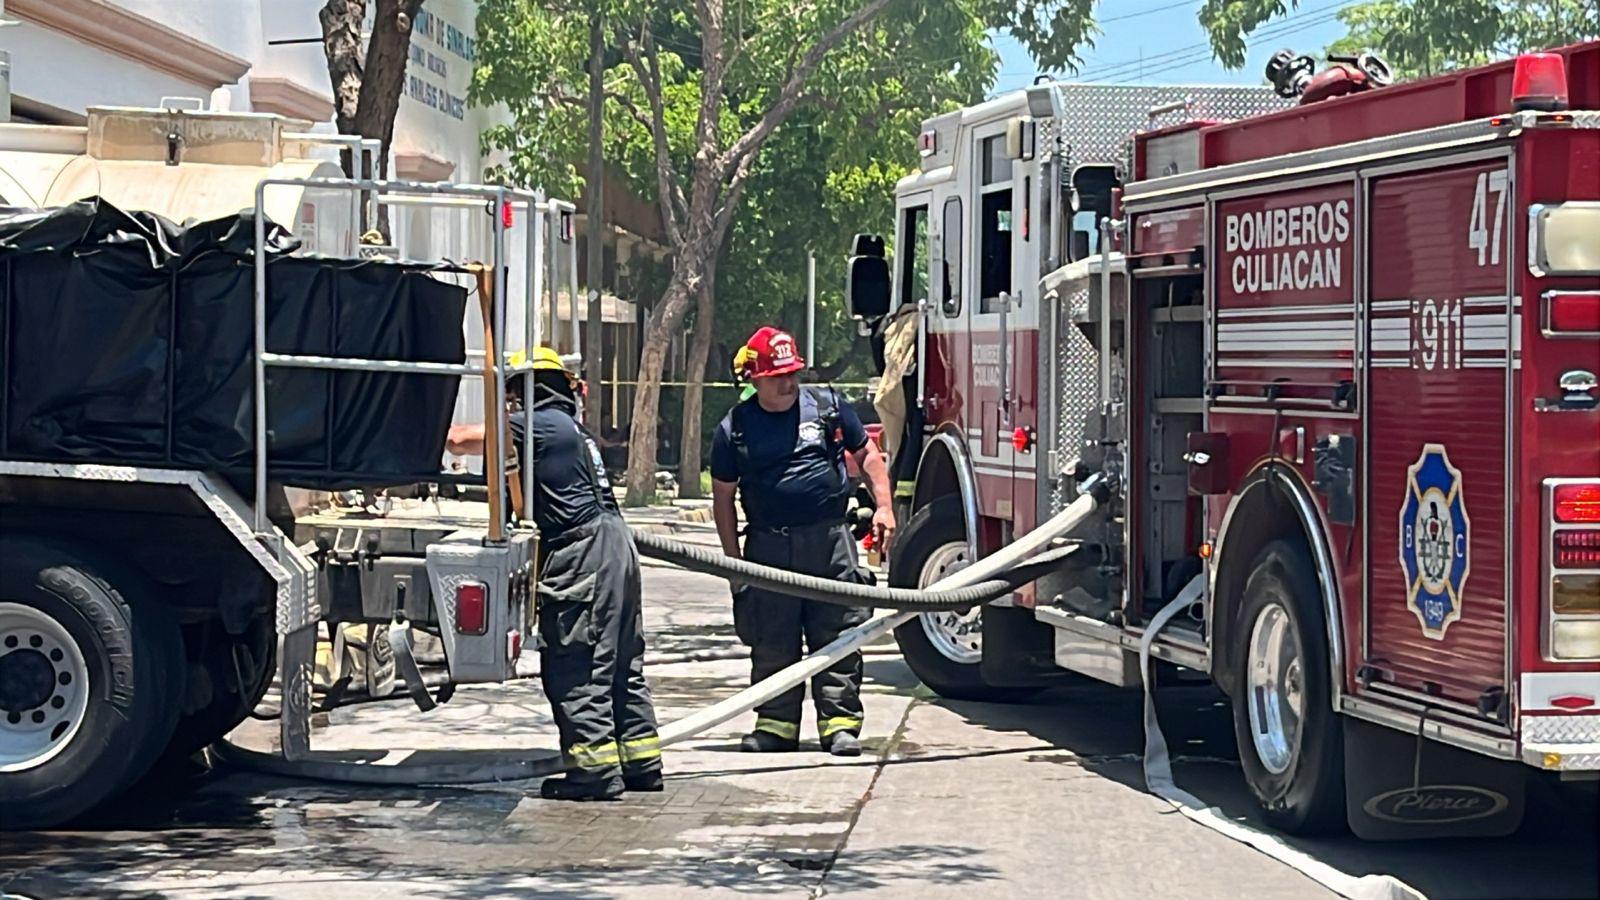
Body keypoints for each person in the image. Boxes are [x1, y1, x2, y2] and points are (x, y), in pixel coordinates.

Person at [446, 347, 662, 801]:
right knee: (620, 663)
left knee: (577, 661)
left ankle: (594, 775)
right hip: (615, 545)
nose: (509, 403)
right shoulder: (571, 429)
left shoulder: (535, 425)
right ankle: (641, 764)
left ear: (528, 390)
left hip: (582, 550)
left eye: (511, 393)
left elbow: (463, 440)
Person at [710, 327, 895, 757]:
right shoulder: (734, 429)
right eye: (778, 376)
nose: (789, 383)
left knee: (840, 632)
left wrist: (884, 507)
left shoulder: (828, 408)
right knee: (772, 636)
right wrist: (735, 569)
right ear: (754, 379)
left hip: (829, 542)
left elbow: (868, 455)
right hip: (769, 549)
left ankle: (840, 726)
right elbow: (723, 500)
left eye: (793, 373)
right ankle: (775, 726)